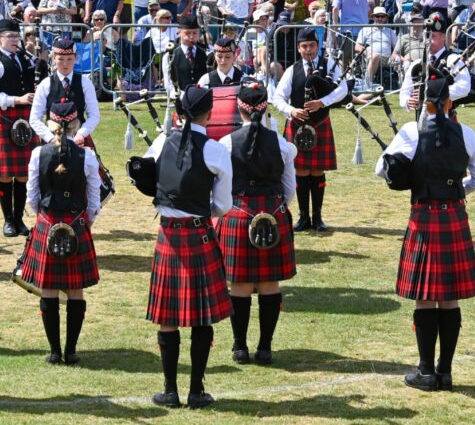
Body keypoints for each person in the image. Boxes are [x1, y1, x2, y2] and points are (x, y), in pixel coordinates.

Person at [375, 77, 475, 390]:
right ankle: (446, 372)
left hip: (424, 217)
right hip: (453, 216)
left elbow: (380, 169)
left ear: (423, 103)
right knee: (449, 299)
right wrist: (454, 188)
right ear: (450, 102)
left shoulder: (412, 132)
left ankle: (425, 372)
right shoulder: (467, 133)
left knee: (425, 299)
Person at [142, 85, 233, 409]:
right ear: (210, 113)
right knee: (200, 316)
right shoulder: (216, 150)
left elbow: (147, 180)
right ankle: (196, 391)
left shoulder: (160, 142)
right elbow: (222, 205)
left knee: (168, 315)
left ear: (180, 112)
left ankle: (169, 390)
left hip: (168, 235)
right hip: (199, 234)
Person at [215, 81, 297, 365]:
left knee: (239, 282)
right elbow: (289, 189)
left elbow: (220, 187)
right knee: (269, 283)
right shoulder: (284, 145)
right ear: (265, 109)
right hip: (272, 214)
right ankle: (265, 347)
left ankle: (239, 346)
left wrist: (229, 212)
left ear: (240, 108)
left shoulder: (226, 143)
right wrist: (275, 210)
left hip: (238, 214)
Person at [23, 100, 100, 365]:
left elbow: (31, 196)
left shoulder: (37, 154)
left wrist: (43, 219)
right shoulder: (87, 155)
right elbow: (94, 198)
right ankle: (71, 350)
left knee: (49, 289)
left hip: (48, 221)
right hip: (77, 222)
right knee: (75, 289)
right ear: (76, 124)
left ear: (50, 123)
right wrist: (86, 221)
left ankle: (55, 351)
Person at [274, 27, 348, 231]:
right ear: (298, 48)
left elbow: (343, 90)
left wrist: (322, 102)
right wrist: (292, 111)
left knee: (317, 170)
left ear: (318, 45)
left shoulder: (329, 65)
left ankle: (318, 218)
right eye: (304, 46)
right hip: (298, 126)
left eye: (312, 45)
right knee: (301, 170)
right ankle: (303, 217)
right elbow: (277, 98)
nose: (309, 50)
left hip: (320, 123)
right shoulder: (292, 70)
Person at [0, 18, 38, 237]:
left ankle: (20, 220)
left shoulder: (26, 58)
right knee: (5, 174)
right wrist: (18, 100)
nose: (15, 40)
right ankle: (8, 221)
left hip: (28, 117)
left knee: (23, 174)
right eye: (10, 36)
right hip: (5, 118)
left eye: (17, 36)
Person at [399, 14, 471, 112]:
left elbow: (464, 87)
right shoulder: (417, 63)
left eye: (432, 36)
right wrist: (407, 101)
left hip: (446, 119)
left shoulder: (453, 60)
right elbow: (405, 91)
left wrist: (432, 92)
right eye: (426, 36)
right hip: (421, 119)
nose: (427, 40)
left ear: (443, 37)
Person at [165, 15, 207, 98]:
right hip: (181, 98)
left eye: (195, 33)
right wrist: (182, 96)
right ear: (179, 32)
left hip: (202, 97)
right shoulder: (169, 55)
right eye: (187, 33)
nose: (191, 37)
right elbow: (168, 84)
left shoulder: (206, 52)